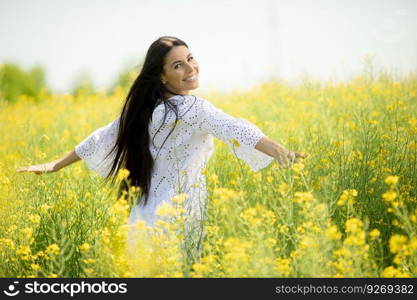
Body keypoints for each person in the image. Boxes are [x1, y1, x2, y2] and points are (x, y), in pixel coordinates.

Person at [16, 36, 308, 266]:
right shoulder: (195, 108)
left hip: (143, 218)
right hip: (182, 216)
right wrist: (280, 151)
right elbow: (237, 129)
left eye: (190, 58)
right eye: (178, 65)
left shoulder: (142, 111)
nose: (191, 68)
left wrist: (55, 164)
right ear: (162, 76)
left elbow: (97, 140)